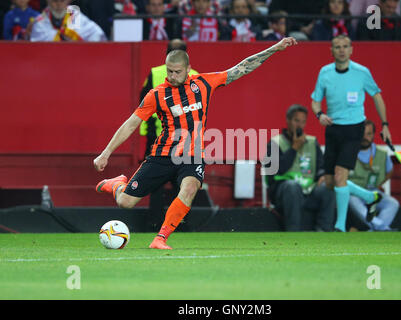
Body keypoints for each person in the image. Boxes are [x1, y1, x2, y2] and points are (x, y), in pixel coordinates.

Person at [94, 37, 298, 249]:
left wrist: (275, 48)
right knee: (126, 203)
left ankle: (160, 238)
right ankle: (117, 184)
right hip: (162, 155)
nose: (172, 76)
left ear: (188, 69)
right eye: (169, 71)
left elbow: (242, 68)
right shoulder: (156, 95)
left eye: (177, 72)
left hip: (192, 155)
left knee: (190, 188)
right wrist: (106, 153)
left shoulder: (203, 83)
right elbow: (130, 124)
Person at [310, 34, 392, 232]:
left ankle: (340, 226)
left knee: (340, 176)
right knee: (329, 182)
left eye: (345, 46)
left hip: (354, 128)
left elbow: (377, 96)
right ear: (331, 51)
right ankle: (370, 197)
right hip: (333, 129)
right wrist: (319, 114)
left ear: (351, 49)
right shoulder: (325, 72)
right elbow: (315, 100)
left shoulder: (361, 72)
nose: (341, 50)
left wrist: (385, 124)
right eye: (337, 47)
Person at [139, 39, 199, 231]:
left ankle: (154, 223)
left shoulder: (155, 72)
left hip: (159, 136)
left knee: (156, 185)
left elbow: (143, 103)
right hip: (186, 141)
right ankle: (181, 224)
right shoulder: (196, 76)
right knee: (183, 185)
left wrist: (149, 136)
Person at [265, 104, 335, 232]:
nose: (300, 125)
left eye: (303, 122)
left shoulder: (312, 142)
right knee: (292, 187)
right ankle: (294, 232)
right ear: (288, 120)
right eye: (296, 120)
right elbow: (275, 171)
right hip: (284, 192)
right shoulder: (275, 143)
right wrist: (294, 149)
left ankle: (324, 232)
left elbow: (321, 167)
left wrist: (322, 176)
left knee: (328, 187)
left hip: (310, 190)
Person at [348, 120, 399, 231]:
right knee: (351, 200)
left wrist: (380, 183)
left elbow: (390, 171)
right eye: (362, 133)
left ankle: (375, 230)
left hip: (373, 191)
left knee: (393, 203)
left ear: (374, 135)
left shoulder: (382, 154)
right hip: (354, 193)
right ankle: (382, 227)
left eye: (369, 134)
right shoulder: (348, 151)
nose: (365, 137)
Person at [30, 0, 106, 41]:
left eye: (62, 1)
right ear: (48, 1)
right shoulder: (41, 21)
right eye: (55, 1)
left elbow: (96, 35)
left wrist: (75, 42)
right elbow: (36, 47)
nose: (59, 4)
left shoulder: (74, 15)